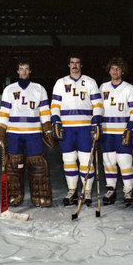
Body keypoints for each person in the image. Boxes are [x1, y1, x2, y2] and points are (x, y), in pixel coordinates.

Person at [0, 60, 55, 207]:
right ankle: (13, 195)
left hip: (33, 132)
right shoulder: (9, 89)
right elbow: (4, 112)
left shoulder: (39, 89)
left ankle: (40, 195)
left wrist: (47, 130)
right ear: (17, 71)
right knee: (13, 166)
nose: (24, 71)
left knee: (38, 165)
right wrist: (2, 134)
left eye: (27, 69)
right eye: (21, 69)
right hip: (13, 132)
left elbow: (44, 111)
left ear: (30, 71)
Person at [51, 54, 103, 206]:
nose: (74, 65)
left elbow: (98, 104)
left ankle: (87, 191)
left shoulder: (90, 82)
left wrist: (96, 120)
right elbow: (54, 104)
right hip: (66, 128)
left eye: (77, 63)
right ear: (68, 65)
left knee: (87, 161)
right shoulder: (61, 82)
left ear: (81, 65)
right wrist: (55, 120)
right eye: (72, 63)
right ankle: (72, 190)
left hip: (84, 128)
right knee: (68, 160)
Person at [99, 57, 133, 206]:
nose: (115, 71)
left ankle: (128, 190)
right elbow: (97, 107)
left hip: (123, 132)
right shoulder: (103, 87)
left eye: (118, 68)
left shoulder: (129, 88)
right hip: (106, 132)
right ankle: (111, 189)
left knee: (125, 162)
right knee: (109, 162)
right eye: (112, 68)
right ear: (109, 70)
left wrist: (131, 125)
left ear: (123, 71)